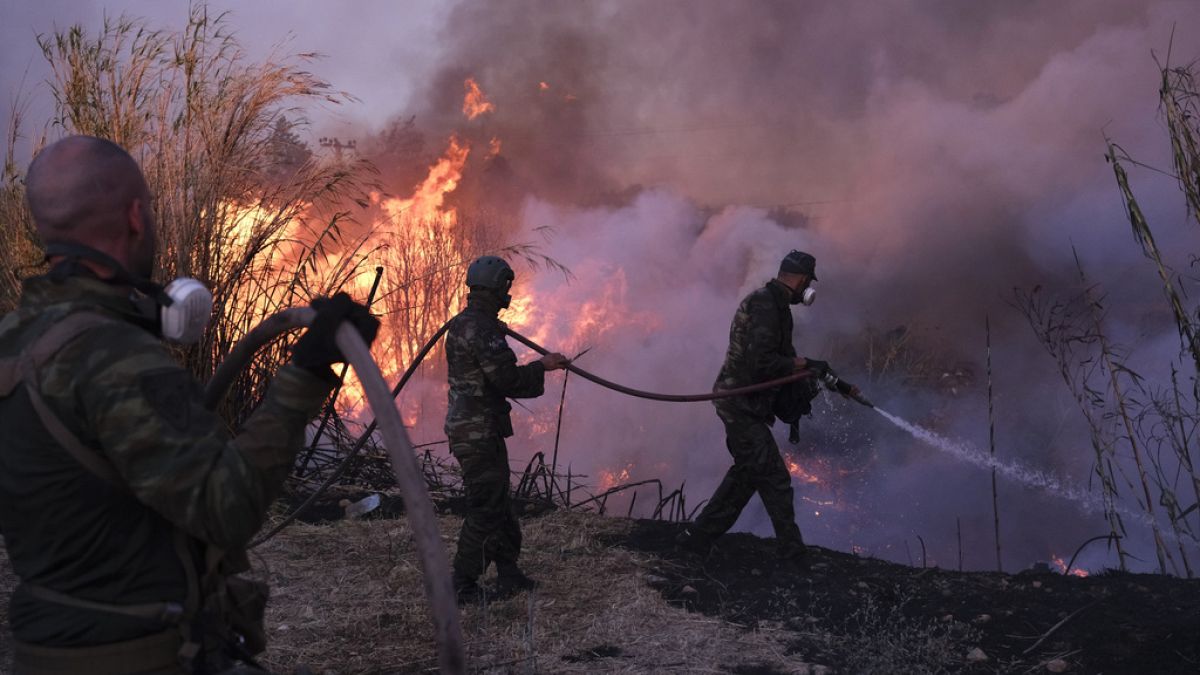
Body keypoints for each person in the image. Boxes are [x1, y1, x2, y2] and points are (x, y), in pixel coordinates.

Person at [0, 135, 378, 674]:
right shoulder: (114, 356)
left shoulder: (16, 339)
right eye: (149, 208)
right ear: (135, 216)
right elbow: (226, 508)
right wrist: (307, 374)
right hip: (135, 655)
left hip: (44, 652)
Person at [678, 250, 858, 560]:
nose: (806, 291)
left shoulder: (778, 307)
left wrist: (829, 380)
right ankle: (792, 552)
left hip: (749, 403)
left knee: (747, 474)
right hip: (739, 403)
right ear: (802, 281)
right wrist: (805, 363)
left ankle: (697, 539)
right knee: (775, 477)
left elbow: (784, 359)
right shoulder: (764, 304)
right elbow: (762, 362)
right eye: (807, 284)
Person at [444, 256, 569, 601]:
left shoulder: (467, 324)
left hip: (475, 428)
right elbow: (508, 379)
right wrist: (543, 366)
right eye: (506, 287)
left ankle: (509, 573)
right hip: (477, 432)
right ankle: (462, 585)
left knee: (499, 503)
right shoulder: (480, 329)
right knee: (486, 507)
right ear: (498, 287)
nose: (508, 295)